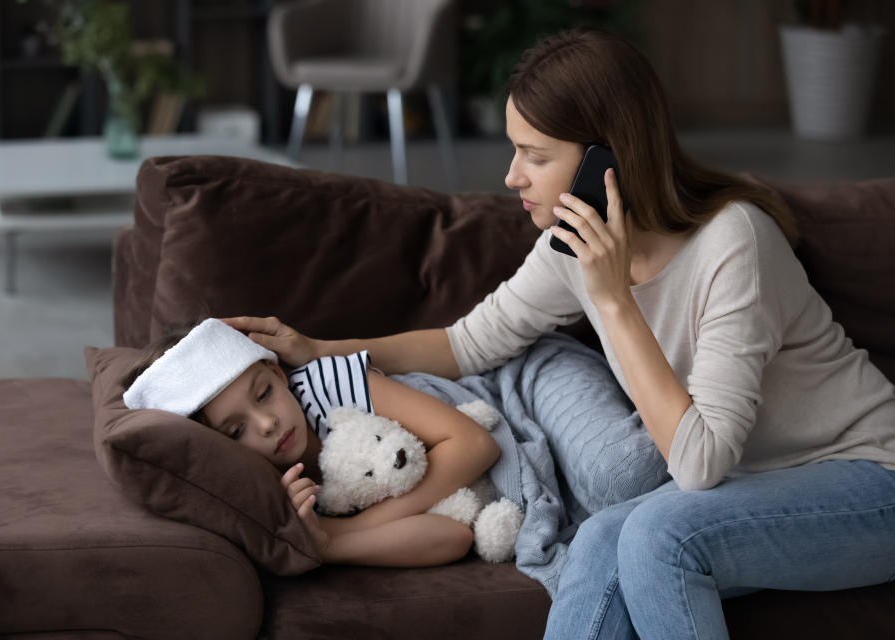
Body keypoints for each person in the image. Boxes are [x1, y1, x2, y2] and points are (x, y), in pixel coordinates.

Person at [223, 28, 895, 640]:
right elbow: (467, 344)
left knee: (658, 533)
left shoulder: (734, 243)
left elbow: (697, 465)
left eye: (533, 155)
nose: (511, 175)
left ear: (606, 161)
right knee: (602, 538)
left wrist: (613, 299)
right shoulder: (567, 249)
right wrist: (318, 349)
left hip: (868, 481)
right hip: (747, 492)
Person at [122, 317, 500, 568]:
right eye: (236, 431)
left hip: (500, 396)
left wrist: (353, 528)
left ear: (276, 372)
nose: (268, 423)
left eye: (264, 393)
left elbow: (476, 443)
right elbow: (453, 537)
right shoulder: (278, 498)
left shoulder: (325, 385)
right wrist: (328, 547)